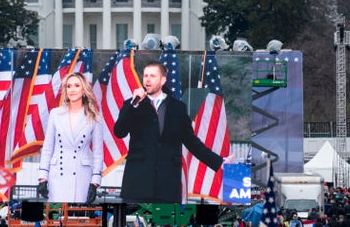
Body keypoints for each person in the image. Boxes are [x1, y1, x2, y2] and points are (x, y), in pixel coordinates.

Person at [113, 61, 229, 202]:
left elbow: (191, 141)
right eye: (145, 76)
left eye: (153, 76)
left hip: (167, 185)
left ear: (163, 80)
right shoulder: (132, 104)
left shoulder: (177, 107)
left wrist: (218, 161)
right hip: (137, 184)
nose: (147, 79)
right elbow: (119, 132)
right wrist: (133, 105)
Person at [37, 72, 104, 203]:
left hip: (82, 176)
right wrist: (42, 178)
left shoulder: (94, 117)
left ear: (84, 90)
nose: (72, 89)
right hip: (57, 176)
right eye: (69, 86)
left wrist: (95, 182)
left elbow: (98, 153)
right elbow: (47, 148)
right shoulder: (55, 114)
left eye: (77, 85)